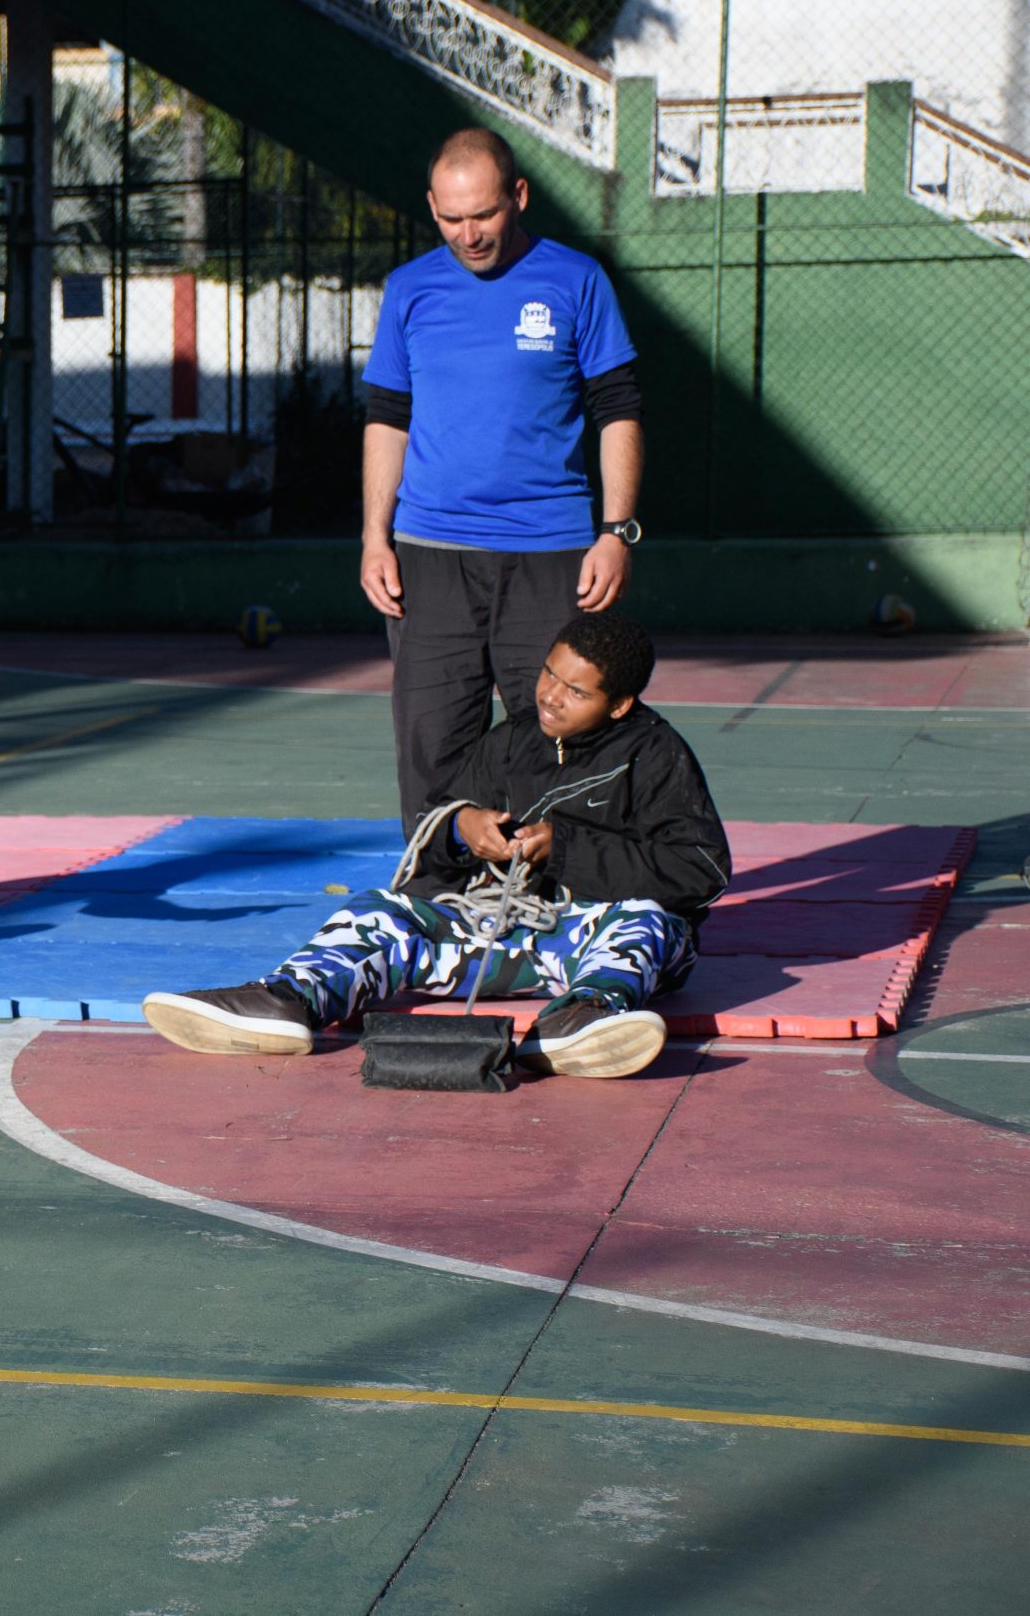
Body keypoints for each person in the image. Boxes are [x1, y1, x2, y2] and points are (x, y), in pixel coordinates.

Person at [142, 612, 728, 1079]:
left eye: (576, 690)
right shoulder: (512, 739)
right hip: (499, 933)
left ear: (619, 704)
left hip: (592, 938)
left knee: (649, 924)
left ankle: (579, 1024)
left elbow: (701, 869)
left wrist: (564, 848)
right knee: (379, 909)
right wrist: (461, 827)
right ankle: (289, 1002)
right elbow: (435, 839)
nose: (550, 695)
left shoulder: (656, 754)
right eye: (549, 673)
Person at [362, 126, 646, 828]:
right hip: (430, 555)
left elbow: (618, 409)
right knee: (432, 739)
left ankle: (562, 886)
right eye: (452, 218)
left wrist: (616, 532)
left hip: (550, 554)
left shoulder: (577, 280)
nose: (469, 234)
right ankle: (439, 893)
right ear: (432, 206)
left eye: (483, 214)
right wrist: (375, 535)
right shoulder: (409, 290)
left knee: (560, 732)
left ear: (517, 197)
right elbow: (388, 418)